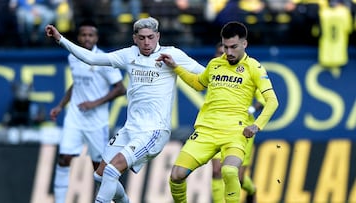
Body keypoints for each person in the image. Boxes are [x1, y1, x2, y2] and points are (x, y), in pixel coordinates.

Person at [45, 16, 205, 203]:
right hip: (130, 129)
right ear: (135, 38)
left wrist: (177, 67)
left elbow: (204, 74)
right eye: (142, 38)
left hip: (154, 131)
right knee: (100, 176)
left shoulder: (172, 55)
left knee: (112, 171)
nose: (147, 42)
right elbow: (92, 58)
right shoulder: (129, 55)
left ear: (158, 36)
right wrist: (60, 39)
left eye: (151, 37)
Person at [157, 21, 279, 203]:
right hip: (206, 131)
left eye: (233, 47)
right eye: (225, 47)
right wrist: (176, 67)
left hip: (235, 132)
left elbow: (272, 101)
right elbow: (198, 83)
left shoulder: (254, 67)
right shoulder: (215, 64)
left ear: (244, 44)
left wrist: (257, 125)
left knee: (229, 172)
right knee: (176, 175)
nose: (228, 52)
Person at [49, 20, 127, 203]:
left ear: (96, 38)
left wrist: (95, 103)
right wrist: (60, 106)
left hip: (96, 122)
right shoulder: (73, 56)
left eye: (90, 35)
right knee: (63, 158)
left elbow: (120, 88)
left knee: (99, 170)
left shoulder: (103, 60)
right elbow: (76, 84)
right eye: (83, 35)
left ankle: (115, 200)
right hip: (75, 118)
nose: (86, 38)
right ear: (78, 37)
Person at [210, 42, 264, 203]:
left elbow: (262, 99)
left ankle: (251, 189)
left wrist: (250, 110)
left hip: (242, 129)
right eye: (219, 53)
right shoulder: (213, 70)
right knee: (217, 171)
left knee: (237, 177)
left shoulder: (248, 70)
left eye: (225, 52)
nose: (223, 56)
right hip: (217, 127)